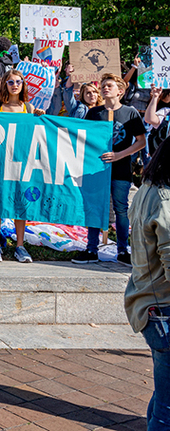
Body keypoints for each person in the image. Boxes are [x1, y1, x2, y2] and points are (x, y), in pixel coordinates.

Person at [72, 73, 146, 266]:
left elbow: (141, 141)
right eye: (103, 85)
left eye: (110, 85)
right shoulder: (94, 113)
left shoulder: (130, 113)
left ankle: (123, 250)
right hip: (96, 170)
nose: (105, 88)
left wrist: (120, 156)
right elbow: (83, 139)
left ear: (120, 91)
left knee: (121, 209)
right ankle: (91, 249)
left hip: (121, 169)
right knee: (95, 208)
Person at [124, 137, 170, 430]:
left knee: (163, 390)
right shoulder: (165, 200)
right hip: (163, 308)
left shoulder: (146, 191)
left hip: (149, 302)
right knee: (167, 410)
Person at [0, 69, 44, 263]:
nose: (15, 85)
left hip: (21, 162)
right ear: (5, 84)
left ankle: (20, 246)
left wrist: (40, 116)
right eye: (11, 82)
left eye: (18, 81)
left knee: (20, 202)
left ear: (23, 85)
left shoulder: (29, 108)